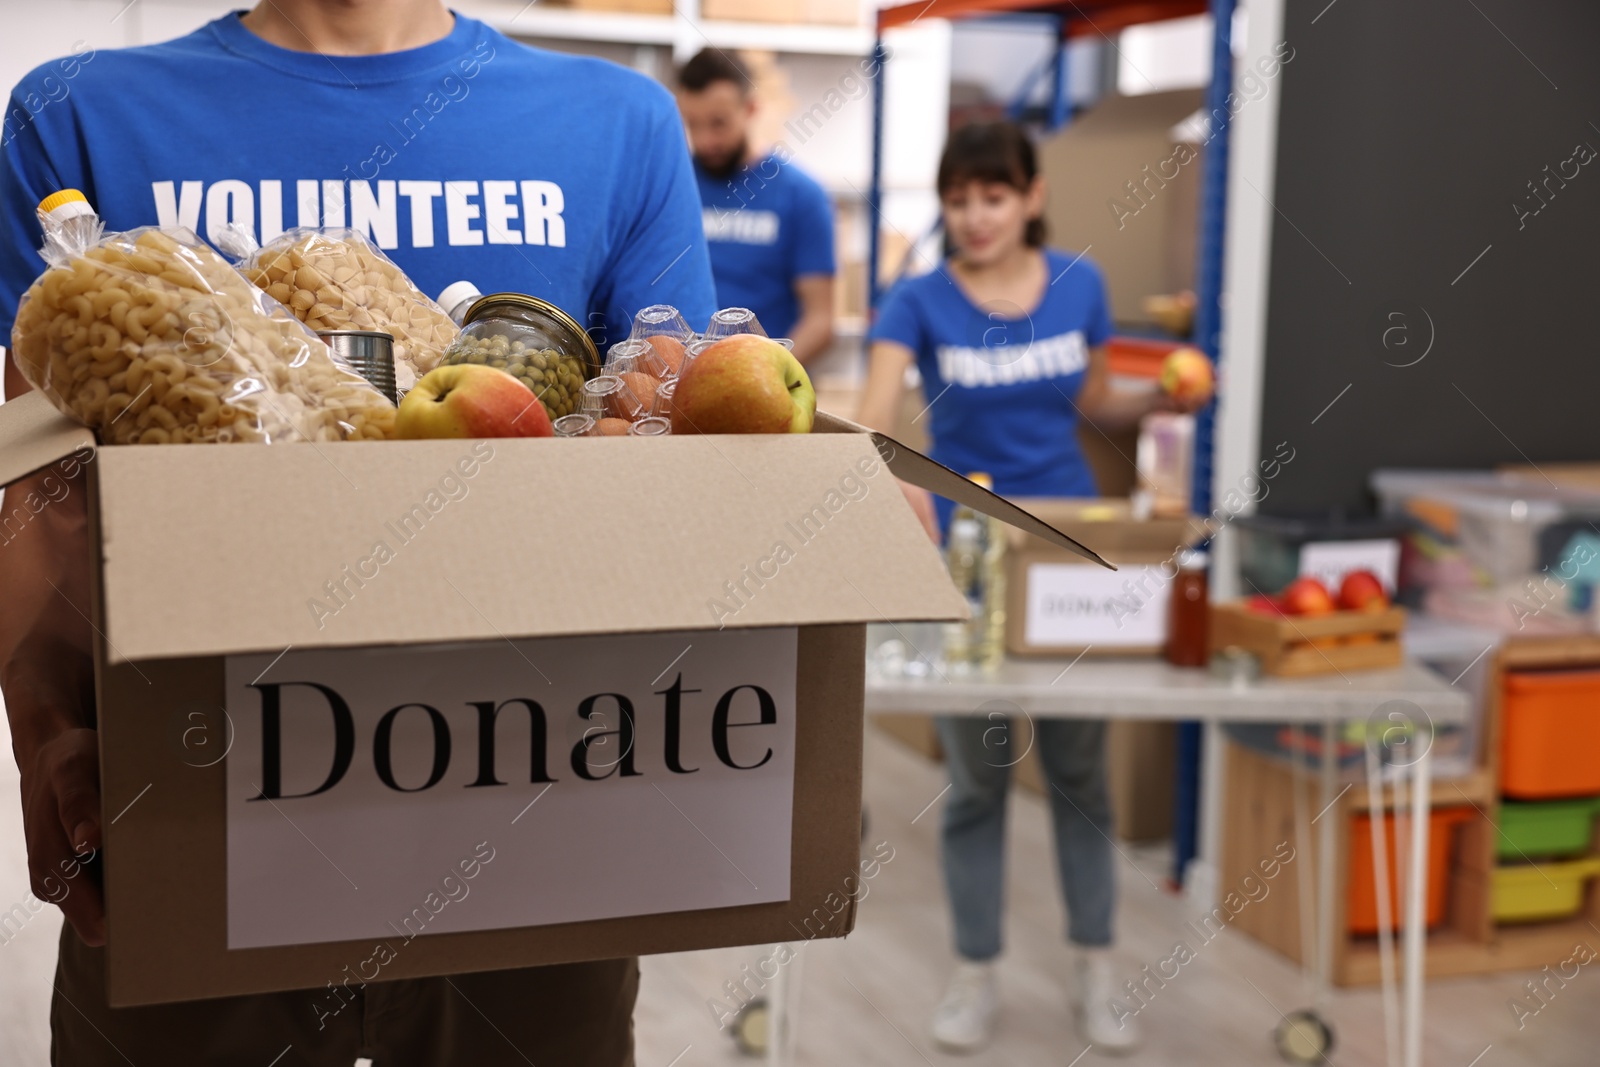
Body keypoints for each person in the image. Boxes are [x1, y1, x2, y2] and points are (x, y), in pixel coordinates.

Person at [0, 2, 714, 1063]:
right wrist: (50, 721)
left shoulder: (613, 120)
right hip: (195, 792)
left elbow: (671, 434)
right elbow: (31, 459)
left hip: (527, 801)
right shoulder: (81, 112)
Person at [855, 120, 1202, 1055]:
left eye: (994, 197)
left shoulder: (1080, 285)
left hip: (1068, 556)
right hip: (970, 560)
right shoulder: (917, 300)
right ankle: (975, 974)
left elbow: (1091, 403)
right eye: (959, 200)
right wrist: (883, 477)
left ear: (1032, 196)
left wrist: (1163, 397)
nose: (975, 217)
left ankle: (1096, 971)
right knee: (979, 780)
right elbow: (876, 420)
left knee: (1082, 776)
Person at [675, 48, 835, 363]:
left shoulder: (802, 195)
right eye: (692, 125)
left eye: (718, 124)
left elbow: (821, 320)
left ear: (750, 109)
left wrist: (767, 372)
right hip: (682, 376)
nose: (705, 140)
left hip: (764, 377)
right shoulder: (673, 186)